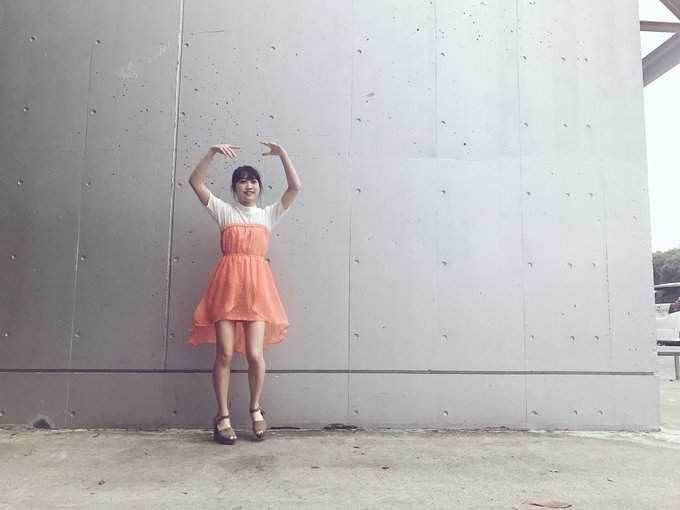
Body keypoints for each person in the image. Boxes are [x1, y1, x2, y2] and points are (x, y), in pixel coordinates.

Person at [187, 141, 301, 444]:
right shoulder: (225, 212)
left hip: (255, 291)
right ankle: (222, 416)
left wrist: (283, 155)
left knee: (254, 354)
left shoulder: (267, 215)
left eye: (253, 181)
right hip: (227, 288)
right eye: (242, 181)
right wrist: (212, 152)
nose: (248, 185)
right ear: (235, 187)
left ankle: (255, 410)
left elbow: (294, 188)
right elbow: (195, 182)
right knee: (224, 353)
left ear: (259, 188)